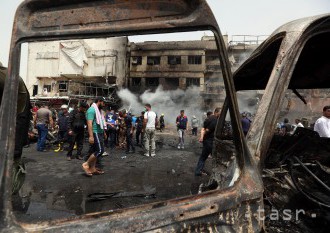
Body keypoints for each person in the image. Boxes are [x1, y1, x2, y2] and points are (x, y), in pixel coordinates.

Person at [82, 97, 107, 176]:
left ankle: (92, 168)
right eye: (103, 102)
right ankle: (86, 164)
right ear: (99, 101)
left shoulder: (99, 111)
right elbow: (89, 124)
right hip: (95, 132)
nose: (104, 104)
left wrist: (104, 133)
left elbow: (101, 123)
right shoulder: (92, 110)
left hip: (99, 132)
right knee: (100, 151)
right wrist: (91, 136)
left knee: (95, 151)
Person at [195, 107, 220, 176]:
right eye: (219, 113)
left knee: (203, 157)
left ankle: (198, 171)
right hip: (210, 141)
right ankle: (217, 174)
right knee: (215, 158)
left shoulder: (208, 118)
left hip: (206, 141)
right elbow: (207, 130)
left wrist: (202, 137)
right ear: (216, 112)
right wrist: (202, 137)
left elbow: (203, 128)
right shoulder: (215, 120)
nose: (220, 115)